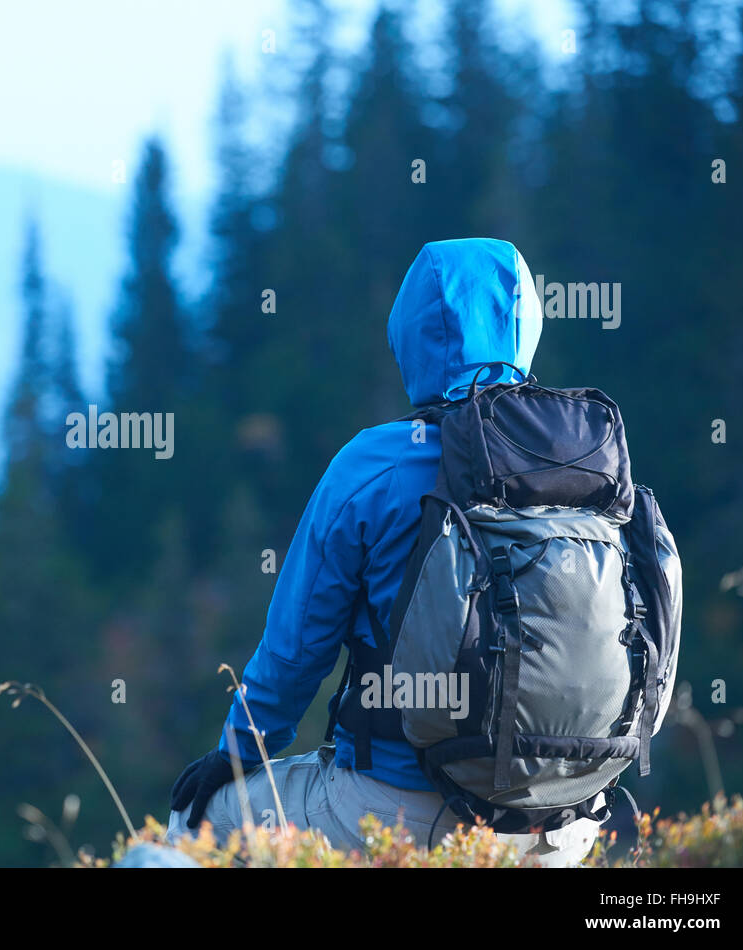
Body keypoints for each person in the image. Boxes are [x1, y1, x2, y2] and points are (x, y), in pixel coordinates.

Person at [168, 238, 604, 867]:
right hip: (560, 822)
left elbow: (293, 661)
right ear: (524, 327)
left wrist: (232, 758)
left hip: (403, 813)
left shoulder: (374, 466)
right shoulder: (588, 459)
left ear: (410, 337)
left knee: (201, 820)